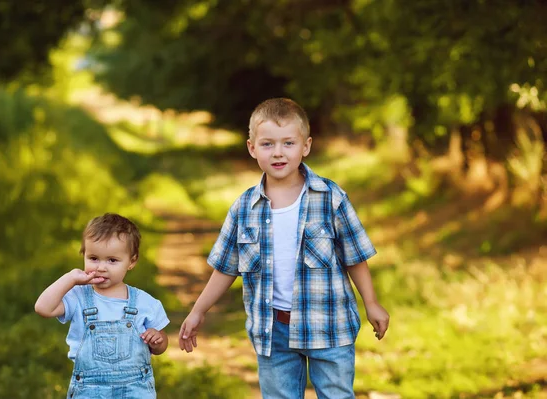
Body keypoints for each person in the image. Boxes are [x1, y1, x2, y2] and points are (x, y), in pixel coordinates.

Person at [179, 98, 389, 398]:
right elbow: (226, 267)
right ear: (252, 148)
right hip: (272, 331)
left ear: (306, 146)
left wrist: (371, 303)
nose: (278, 152)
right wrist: (198, 311)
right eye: (267, 144)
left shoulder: (330, 198)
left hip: (328, 324)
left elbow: (354, 257)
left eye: (288, 143)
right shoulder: (244, 208)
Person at [35, 213, 169, 399]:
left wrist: (158, 339)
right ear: (84, 256)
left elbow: (161, 346)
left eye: (112, 260)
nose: (101, 267)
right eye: (93, 258)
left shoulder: (144, 303)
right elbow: (43, 308)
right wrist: (71, 278)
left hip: (135, 390)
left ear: (131, 261)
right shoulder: (78, 296)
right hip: (89, 391)